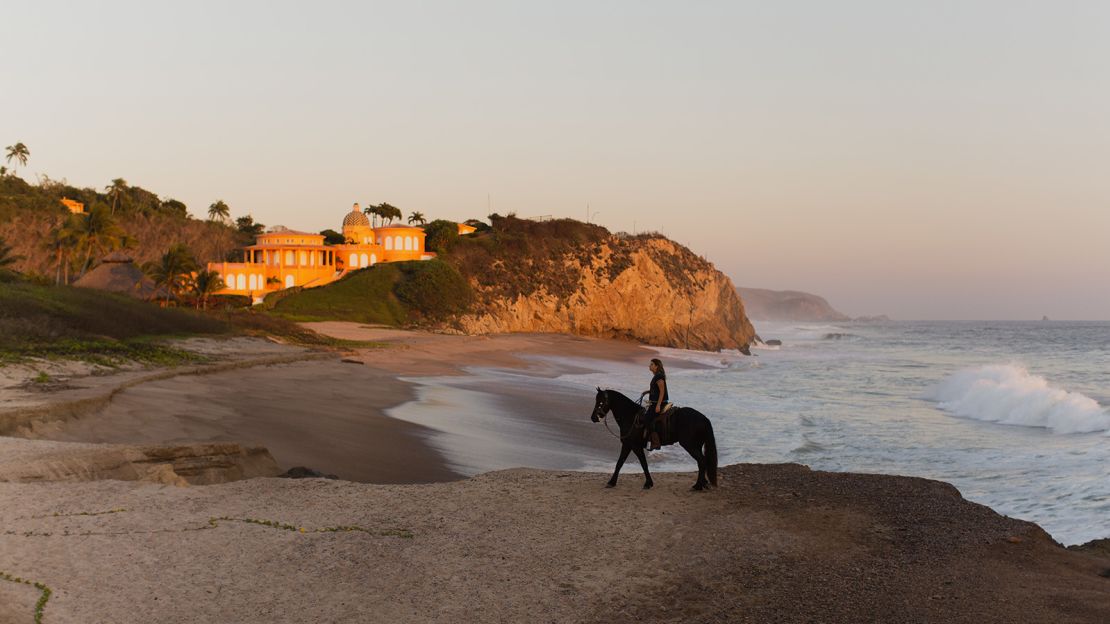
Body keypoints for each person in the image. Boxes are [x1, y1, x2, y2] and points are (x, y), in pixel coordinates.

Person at [639, 358, 669, 450]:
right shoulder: (656, 376)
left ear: (656, 366)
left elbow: (662, 391)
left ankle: (655, 442)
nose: (649, 366)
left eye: (652, 364)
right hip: (654, 403)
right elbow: (656, 389)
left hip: (659, 403)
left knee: (647, 419)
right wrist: (647, 392)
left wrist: (658, 405)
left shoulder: (659, 376)